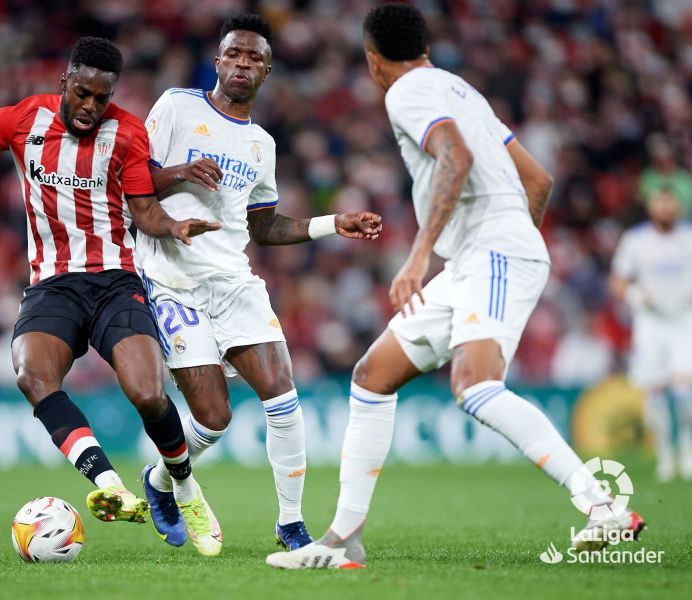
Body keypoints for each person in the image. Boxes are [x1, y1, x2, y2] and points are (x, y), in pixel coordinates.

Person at [266, 3, 644, 570]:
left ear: (373, 60)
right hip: (479, 258)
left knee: (474, 387)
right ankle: (343, 540)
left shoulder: (406, 92)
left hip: (488, 255)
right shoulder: (462, 90)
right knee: (372, 376)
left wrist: (424, 256)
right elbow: (537, 179)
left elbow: (456, 157)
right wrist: (506, 243)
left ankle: (603, 507)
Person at [0, 36, 224, 556]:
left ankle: (185, 488)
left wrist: (174, 227)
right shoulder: (21, 119)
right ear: (65, 82)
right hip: (53, 284)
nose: (89, 107)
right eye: (82, 94)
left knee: (148, 393)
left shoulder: (126, 132)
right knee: (32, 374)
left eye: (101, 99)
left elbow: (144, 211)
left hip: (115, 281)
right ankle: (108, 485)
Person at [134, 14, 382, 552]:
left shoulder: (261, 145)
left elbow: (263, 225)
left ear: (267, 71)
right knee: (214, 419)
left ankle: (291, 523)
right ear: (218, 61)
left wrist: (330, 224)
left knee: (282, 394)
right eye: (234, 55)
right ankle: (159, 479)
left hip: (233, 282)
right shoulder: (176, 107)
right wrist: (179, 171)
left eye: (254, 59)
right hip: (171, 279)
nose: (243, 64)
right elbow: (129, 183)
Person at [611, 187, 692, 482]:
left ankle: (687, 447)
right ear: (651, 207)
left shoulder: (688, 237)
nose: (666, 208)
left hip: (684, 320)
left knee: (685, 392)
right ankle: (664, 455)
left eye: (670, 203)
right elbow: (618, 280)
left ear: (678, 206)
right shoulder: (636, 240)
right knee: (654, 391)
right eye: (661, 203)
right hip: (651, 322)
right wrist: (633, 294)